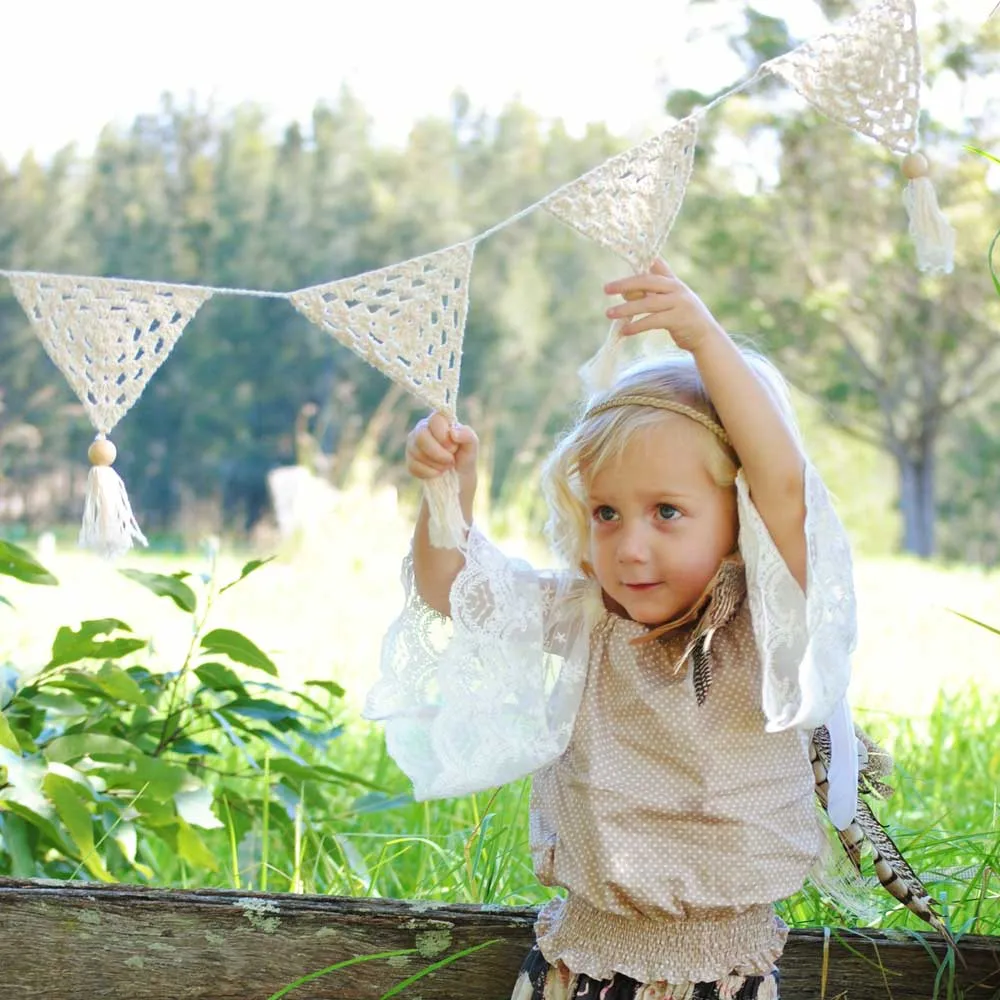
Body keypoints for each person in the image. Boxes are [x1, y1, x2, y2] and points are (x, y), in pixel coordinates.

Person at [364, 260, 947, 1000]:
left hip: (717, 970)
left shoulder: (764, 623)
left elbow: (783, 484)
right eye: (607, 513)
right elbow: (456, 589)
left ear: (739, 519)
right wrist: (447, 489)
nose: (631, 547)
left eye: (667, 511)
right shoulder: (586, 615)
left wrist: (702, 337)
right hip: (580, 962)